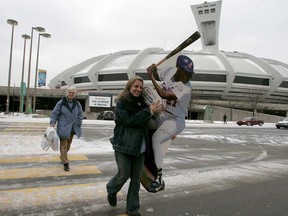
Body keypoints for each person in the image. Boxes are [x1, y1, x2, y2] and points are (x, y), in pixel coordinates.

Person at [106, 76, 163, 216]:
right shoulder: (122, 102)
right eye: (135, 86)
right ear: (129, 86)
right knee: (123, 175)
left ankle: (133, 209)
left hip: (140, 148)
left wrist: (159, 119)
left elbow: (151, 125)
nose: (138, 89)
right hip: (123, 146)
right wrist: (149, 111)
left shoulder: (144, 104)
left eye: (140, 87)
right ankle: (111, 190)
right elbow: (129, 120)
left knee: (136, 180)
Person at [146, 54, 195, 192]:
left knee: (156, 140)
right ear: (178, 68)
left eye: (190, 74)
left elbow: (163, 94)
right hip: (163, 114)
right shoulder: (169, 71)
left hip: (175, 120)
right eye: (185, 73)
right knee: (145, 121)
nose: (187, 77)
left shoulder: (185, 88)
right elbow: (157, 75)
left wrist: (150, 76)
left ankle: (160, 180)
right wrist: (154, 69)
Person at [50, 86, 83, 172]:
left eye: (73, 93)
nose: (71, 94)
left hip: (73, 127)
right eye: (70, 92)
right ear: (67, 93)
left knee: (68, 145)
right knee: (63, 145)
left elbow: (80, 114)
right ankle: (66, 163)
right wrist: (52, 123)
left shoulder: (77, 104)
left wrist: (79, 123)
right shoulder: (61, 103)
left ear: (75, 94)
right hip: (63, 127)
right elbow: (55, 113)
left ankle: (62, 157)